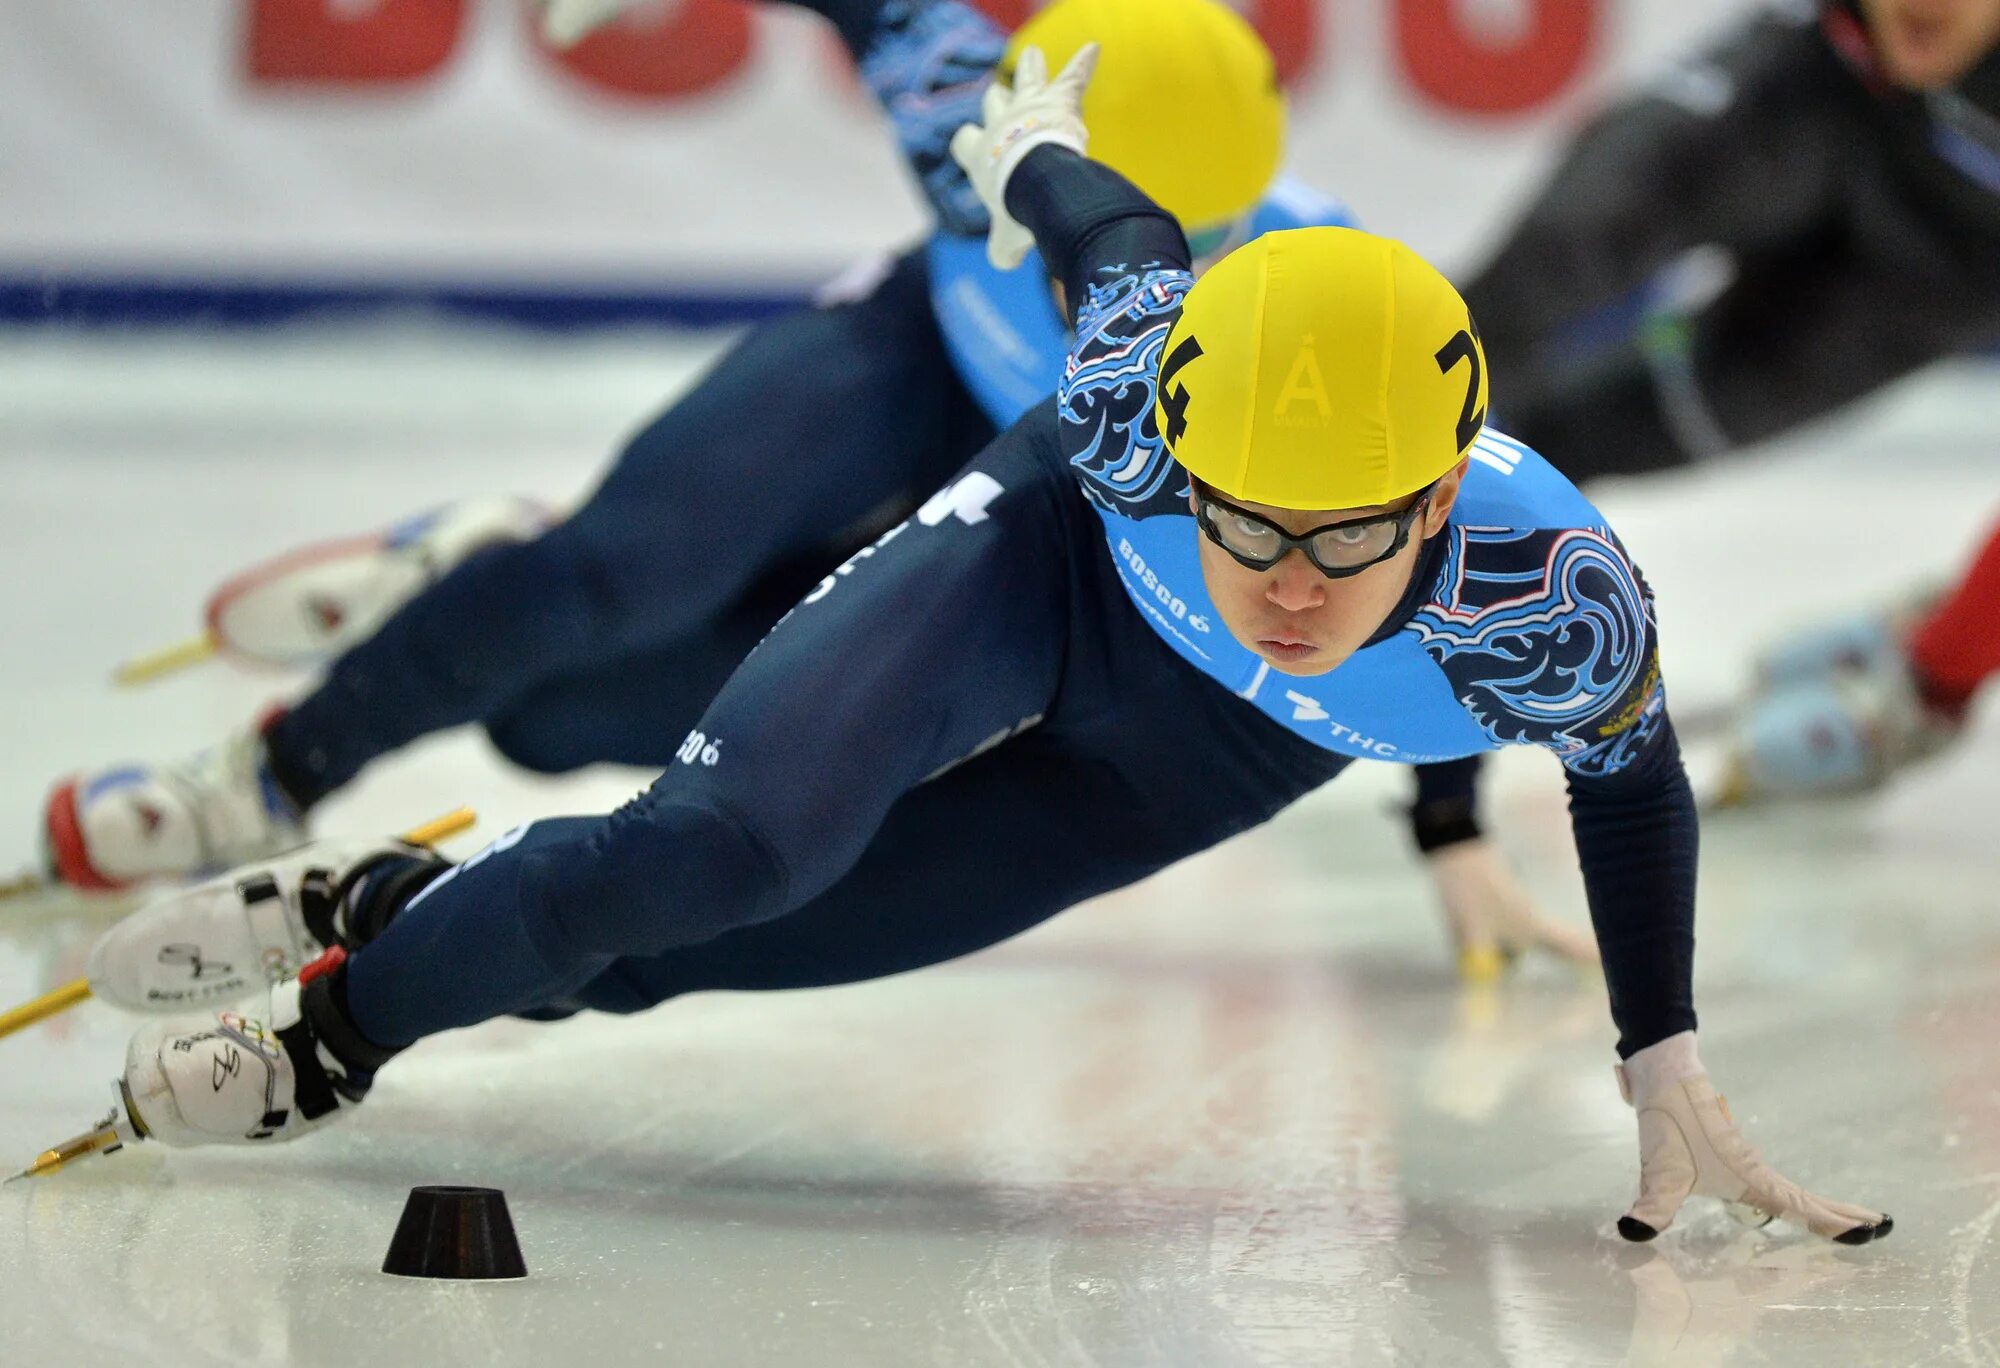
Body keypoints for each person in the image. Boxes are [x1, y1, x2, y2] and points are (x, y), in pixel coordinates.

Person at [82, 32, 1887, 1244]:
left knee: (692, 950)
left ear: (1439, 500)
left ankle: (387, 911)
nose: (1285, 576)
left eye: (1345, 536)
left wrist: (1662, 1051)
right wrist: (1035, 148)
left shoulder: (1558, 596)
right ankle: (343, 1030)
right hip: (1046, 564)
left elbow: (1631, 790)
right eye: (1243, 515)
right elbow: (1112, 234)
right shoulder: (1131, 413)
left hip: (1198, 763)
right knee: (718, 849)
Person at [32, 0, 1583, 974]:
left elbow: (1417, 574)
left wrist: (1448, 816)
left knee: (567, 714)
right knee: (608, 577)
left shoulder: (1320, 334)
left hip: (1046, 501)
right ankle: (273, 771)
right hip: (911, 368)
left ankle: (484, 596)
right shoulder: (976, 117)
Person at [1458, 0, 2000, 800]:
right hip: (1821, 79)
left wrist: (1938, 670)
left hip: (1949, 258)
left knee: (1600, 432)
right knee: (1548, 267)